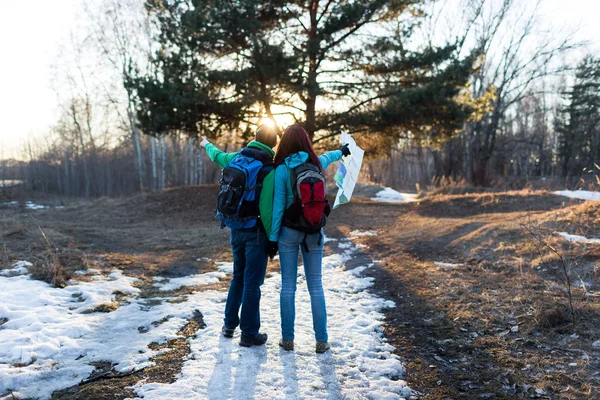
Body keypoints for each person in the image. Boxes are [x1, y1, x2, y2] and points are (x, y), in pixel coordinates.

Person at [269, 125, 350, 353]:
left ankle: (287, 339)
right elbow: (330, 155)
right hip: (314, 232)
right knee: (316, 286)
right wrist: (342, 151)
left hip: (288, 232)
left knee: (288, 287)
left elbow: (277, 208)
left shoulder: (282, 169)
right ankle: (322, 340)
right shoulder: (316, 163)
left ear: (284, 143)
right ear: (306, 142)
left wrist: (273, 239)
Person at [200, 125, 279, 347]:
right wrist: (272, 238)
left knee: (238, 277)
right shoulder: (268, 169)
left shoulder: (237, 158)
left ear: (255, 139)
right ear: (273, 144)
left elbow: (217, 155)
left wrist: (206, 144)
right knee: (253, 283)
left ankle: (228, 326)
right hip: (256, 233)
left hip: (235, 228)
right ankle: (249, 333)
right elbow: (266, 209)